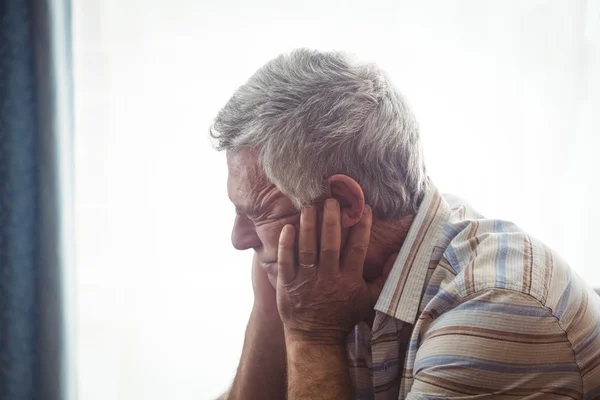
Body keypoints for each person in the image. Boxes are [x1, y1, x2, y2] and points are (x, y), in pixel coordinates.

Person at [209, 49, 600, 399]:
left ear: (343, 204)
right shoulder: (320, 281)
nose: (238, 239)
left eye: (257, 213)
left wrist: (311, 336)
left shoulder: (496, 306)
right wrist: (271, 306)